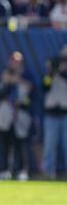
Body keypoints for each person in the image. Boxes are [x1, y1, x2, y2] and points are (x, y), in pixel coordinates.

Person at [0, 52, 35, 181]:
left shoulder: (27, 75)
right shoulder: (4, 74)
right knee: (5, 143)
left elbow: (30, 89)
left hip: (21, 113)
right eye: (12, 61)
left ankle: (22, 170)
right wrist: (7, 81)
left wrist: (17, 79)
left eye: (17, 61)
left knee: (20, 143)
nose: (14, 63)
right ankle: (5, 170)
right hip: (5, 114)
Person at [42, 48, 67, 179]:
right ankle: (48, 172)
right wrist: (53, 71)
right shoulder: (50, 74)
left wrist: (62, 71)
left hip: (65, 112)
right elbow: (45, 86)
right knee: (50, 145)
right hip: (51, 114)